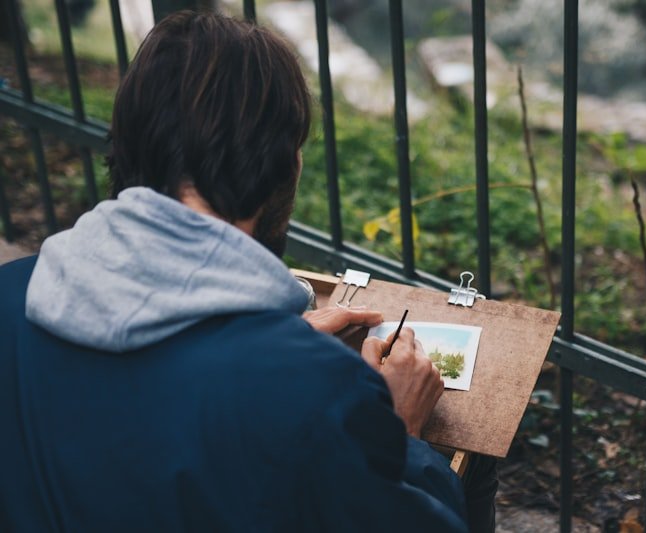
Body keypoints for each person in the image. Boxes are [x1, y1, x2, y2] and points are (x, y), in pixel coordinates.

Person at [0, 11, 475, 532]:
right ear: (283, 164)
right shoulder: (313, 394)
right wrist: (401, 435)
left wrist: (266, 344)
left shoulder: (12, 291)